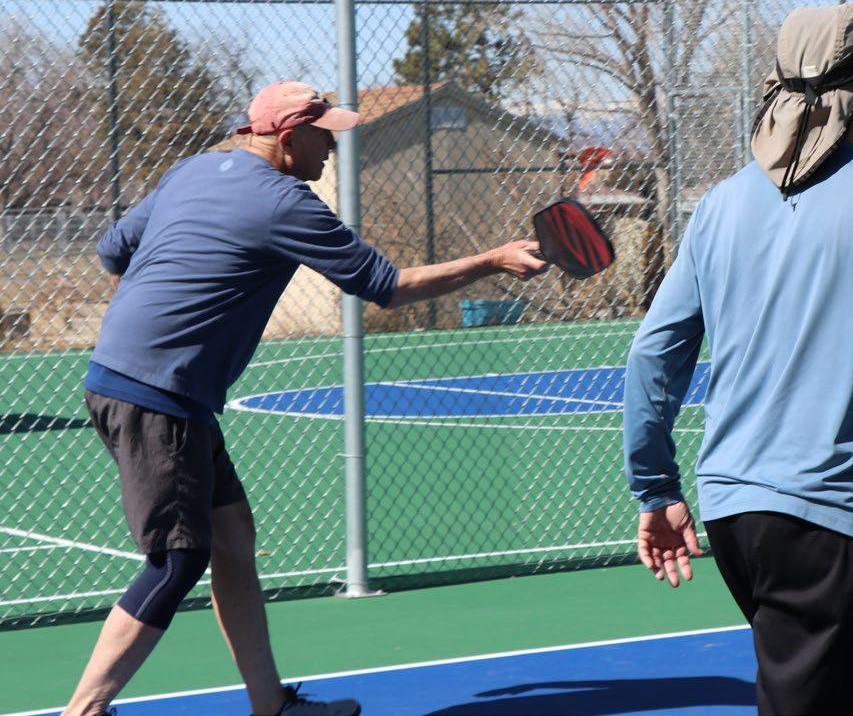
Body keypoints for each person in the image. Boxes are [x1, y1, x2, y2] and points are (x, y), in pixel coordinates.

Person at [66, 81, 548, 716]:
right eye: (325, 136)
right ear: (288, 138)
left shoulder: (194, 170)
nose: (333, 148)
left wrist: (150, 321)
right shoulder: (284, 203)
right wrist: (492, 260)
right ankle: (84, 709)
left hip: (139, 382)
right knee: (178, 560)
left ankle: (272, 706)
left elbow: (112, 251)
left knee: (233, 538)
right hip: (158, 397)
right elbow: (387, 287)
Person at [622, 4, 853, 715]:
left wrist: (656, 488)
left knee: (844, 691)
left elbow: (652, 354)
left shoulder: (719, 205)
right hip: (824, 518)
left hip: (732, 514)